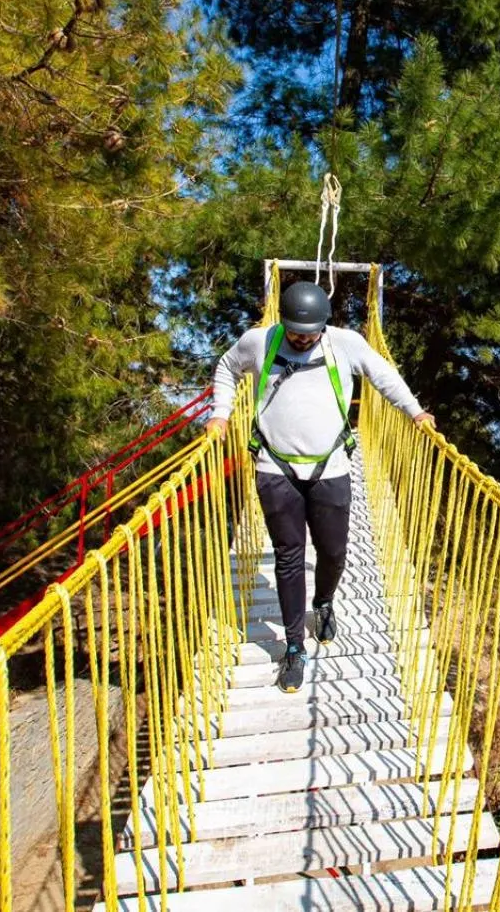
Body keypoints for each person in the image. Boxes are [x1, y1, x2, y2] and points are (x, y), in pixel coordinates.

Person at [204, 281, 433, 692]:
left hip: (330, 465)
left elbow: (383, 376)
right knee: (288, 557)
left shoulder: (346, 343)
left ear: (324, 325)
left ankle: (323, 602)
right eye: (295, 331)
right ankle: (294, 648)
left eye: (309, 332)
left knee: (333, 550)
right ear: (283, 322)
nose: (302, 338)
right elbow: (226, 367)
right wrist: (221, 413)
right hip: (275, 467)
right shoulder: (260, 341)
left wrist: (414, 412)